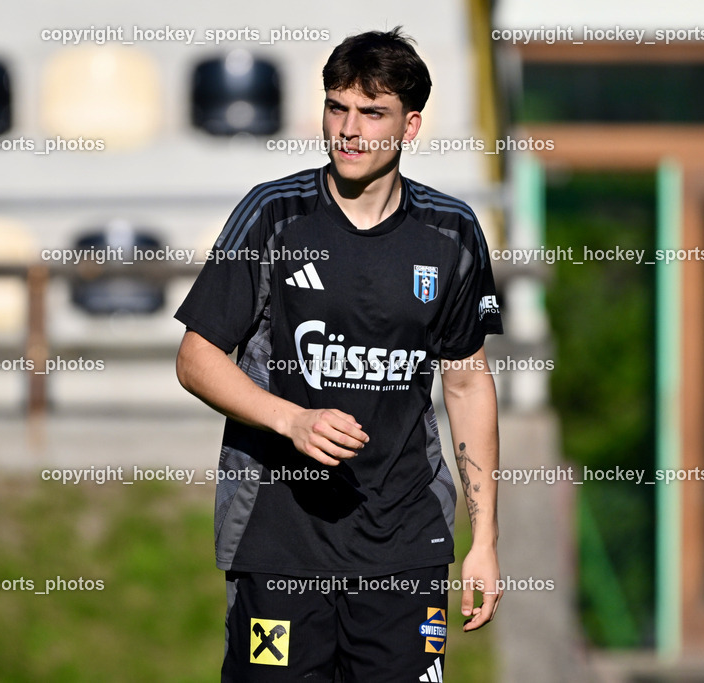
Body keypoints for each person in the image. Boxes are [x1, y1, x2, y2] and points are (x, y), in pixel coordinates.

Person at [175, 27, 503, 682]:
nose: (349, 129)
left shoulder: (452, 232)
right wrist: (290, 419)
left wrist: (485, 543)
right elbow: (197, 355)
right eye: (337, 107)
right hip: (280, 543)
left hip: (404, 547)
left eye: (372, 112)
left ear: (410, 126)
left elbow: (467, 386)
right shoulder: (274, 215)